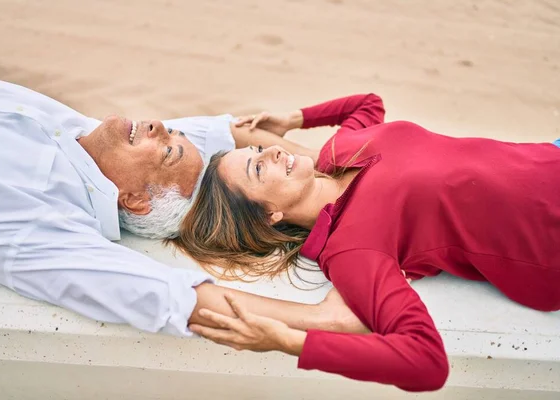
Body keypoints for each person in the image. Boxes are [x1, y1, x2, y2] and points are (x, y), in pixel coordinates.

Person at [172, 93, 560, 391]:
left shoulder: (339, 151)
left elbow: (368, 104)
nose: (274, 150)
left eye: (257, 150)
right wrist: (292, 343)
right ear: (269, 214)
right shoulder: (353, 249)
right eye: (259, 167)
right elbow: (427, 363)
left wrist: (296, 118)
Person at [0, 68, 365, 337]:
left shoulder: (38, 222)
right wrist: (324, 175)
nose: (156, 125)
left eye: (167, 149)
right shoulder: (92, 139)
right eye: (171, 132)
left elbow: (165, 294)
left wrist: (321, 320)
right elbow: (221, 135)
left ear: (135, 200)